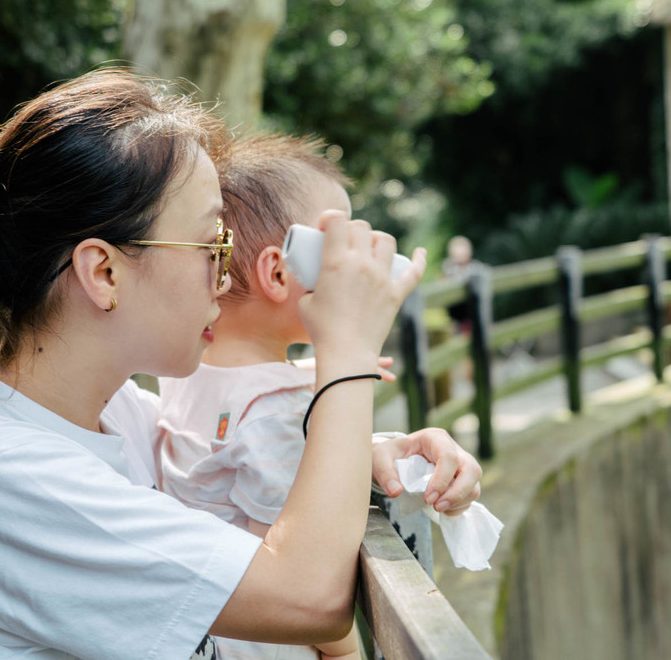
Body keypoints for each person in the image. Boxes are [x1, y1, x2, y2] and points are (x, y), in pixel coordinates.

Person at [0, 69, 482, 660]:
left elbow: (217, 460)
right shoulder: (3, 472)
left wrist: (366, 448)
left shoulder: (105, 409)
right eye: (209, 244)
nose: (224, 278)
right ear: (104, 270)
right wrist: (346, 352)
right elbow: (311, 595)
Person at [156, 132, 483, 660]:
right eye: (339, 243)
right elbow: (292, 571)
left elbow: (234, 400)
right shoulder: (276, 415)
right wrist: (347, 653)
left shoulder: (180, 369)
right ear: (281, 270)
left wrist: (320, 374)